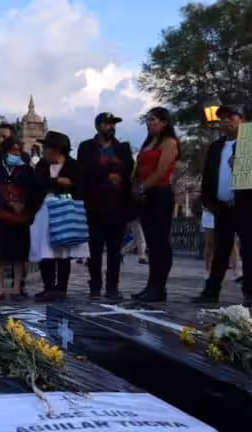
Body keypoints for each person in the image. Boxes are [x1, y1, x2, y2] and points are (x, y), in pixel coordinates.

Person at [194, 105, 252, 307]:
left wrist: (244, 165)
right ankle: (211, 291)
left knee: (249, 251)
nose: (226, 121)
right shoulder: (216, 146)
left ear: (242, 120)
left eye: (231, 117)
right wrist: (208, 201)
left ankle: (250, 292)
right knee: (220, 252)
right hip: (221, 207)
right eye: (222, 118)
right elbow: (208, 176)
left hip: (247, 207)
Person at [77, 112, 134, 301]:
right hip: (95, 204)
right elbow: (85, 168)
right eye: (107, 123)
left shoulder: (123, 148)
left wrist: (117, 173)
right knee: (95, 249)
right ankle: (94, 286)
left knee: (115, 250)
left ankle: (112, 287)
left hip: (117, 205)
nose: (111, 127)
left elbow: (128, 169)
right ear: (98, 126)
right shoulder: (86, 147)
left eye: (113, 124)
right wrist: (108, 173)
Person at [30, 131, 87, 302]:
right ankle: (48, 286)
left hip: (66, 213)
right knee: (45, 250)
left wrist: (60, 185)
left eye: (48, 148)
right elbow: (37, 184)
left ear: (58, 150)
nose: (46, 151)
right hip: (45, 212)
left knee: (64, 251)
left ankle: (61, 287)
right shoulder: (41, 165)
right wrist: (58, 182)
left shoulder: (74, 166)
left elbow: (79, 186)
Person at [132, 107, 179, 302]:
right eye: (148, 120)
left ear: (164, 122)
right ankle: (151, 285)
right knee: (151, 242)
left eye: (154, 120)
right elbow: (139, 169)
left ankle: (159, 286)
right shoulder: (148, 143)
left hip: (159, 193)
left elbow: (161, 171)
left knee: (160, 242)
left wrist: (143, 188)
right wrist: (135, 186)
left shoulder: (169, 142)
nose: (150, 123)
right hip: (145, 195)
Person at [0, 136, 38, 299]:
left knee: (19, 254)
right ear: (5, 151)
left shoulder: (26, 170)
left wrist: (24, 205)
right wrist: (6, 202)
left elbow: (33, 192)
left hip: (19, 217)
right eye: (13, 150)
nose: (16, 153)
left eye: (19, 150)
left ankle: (17, 288)